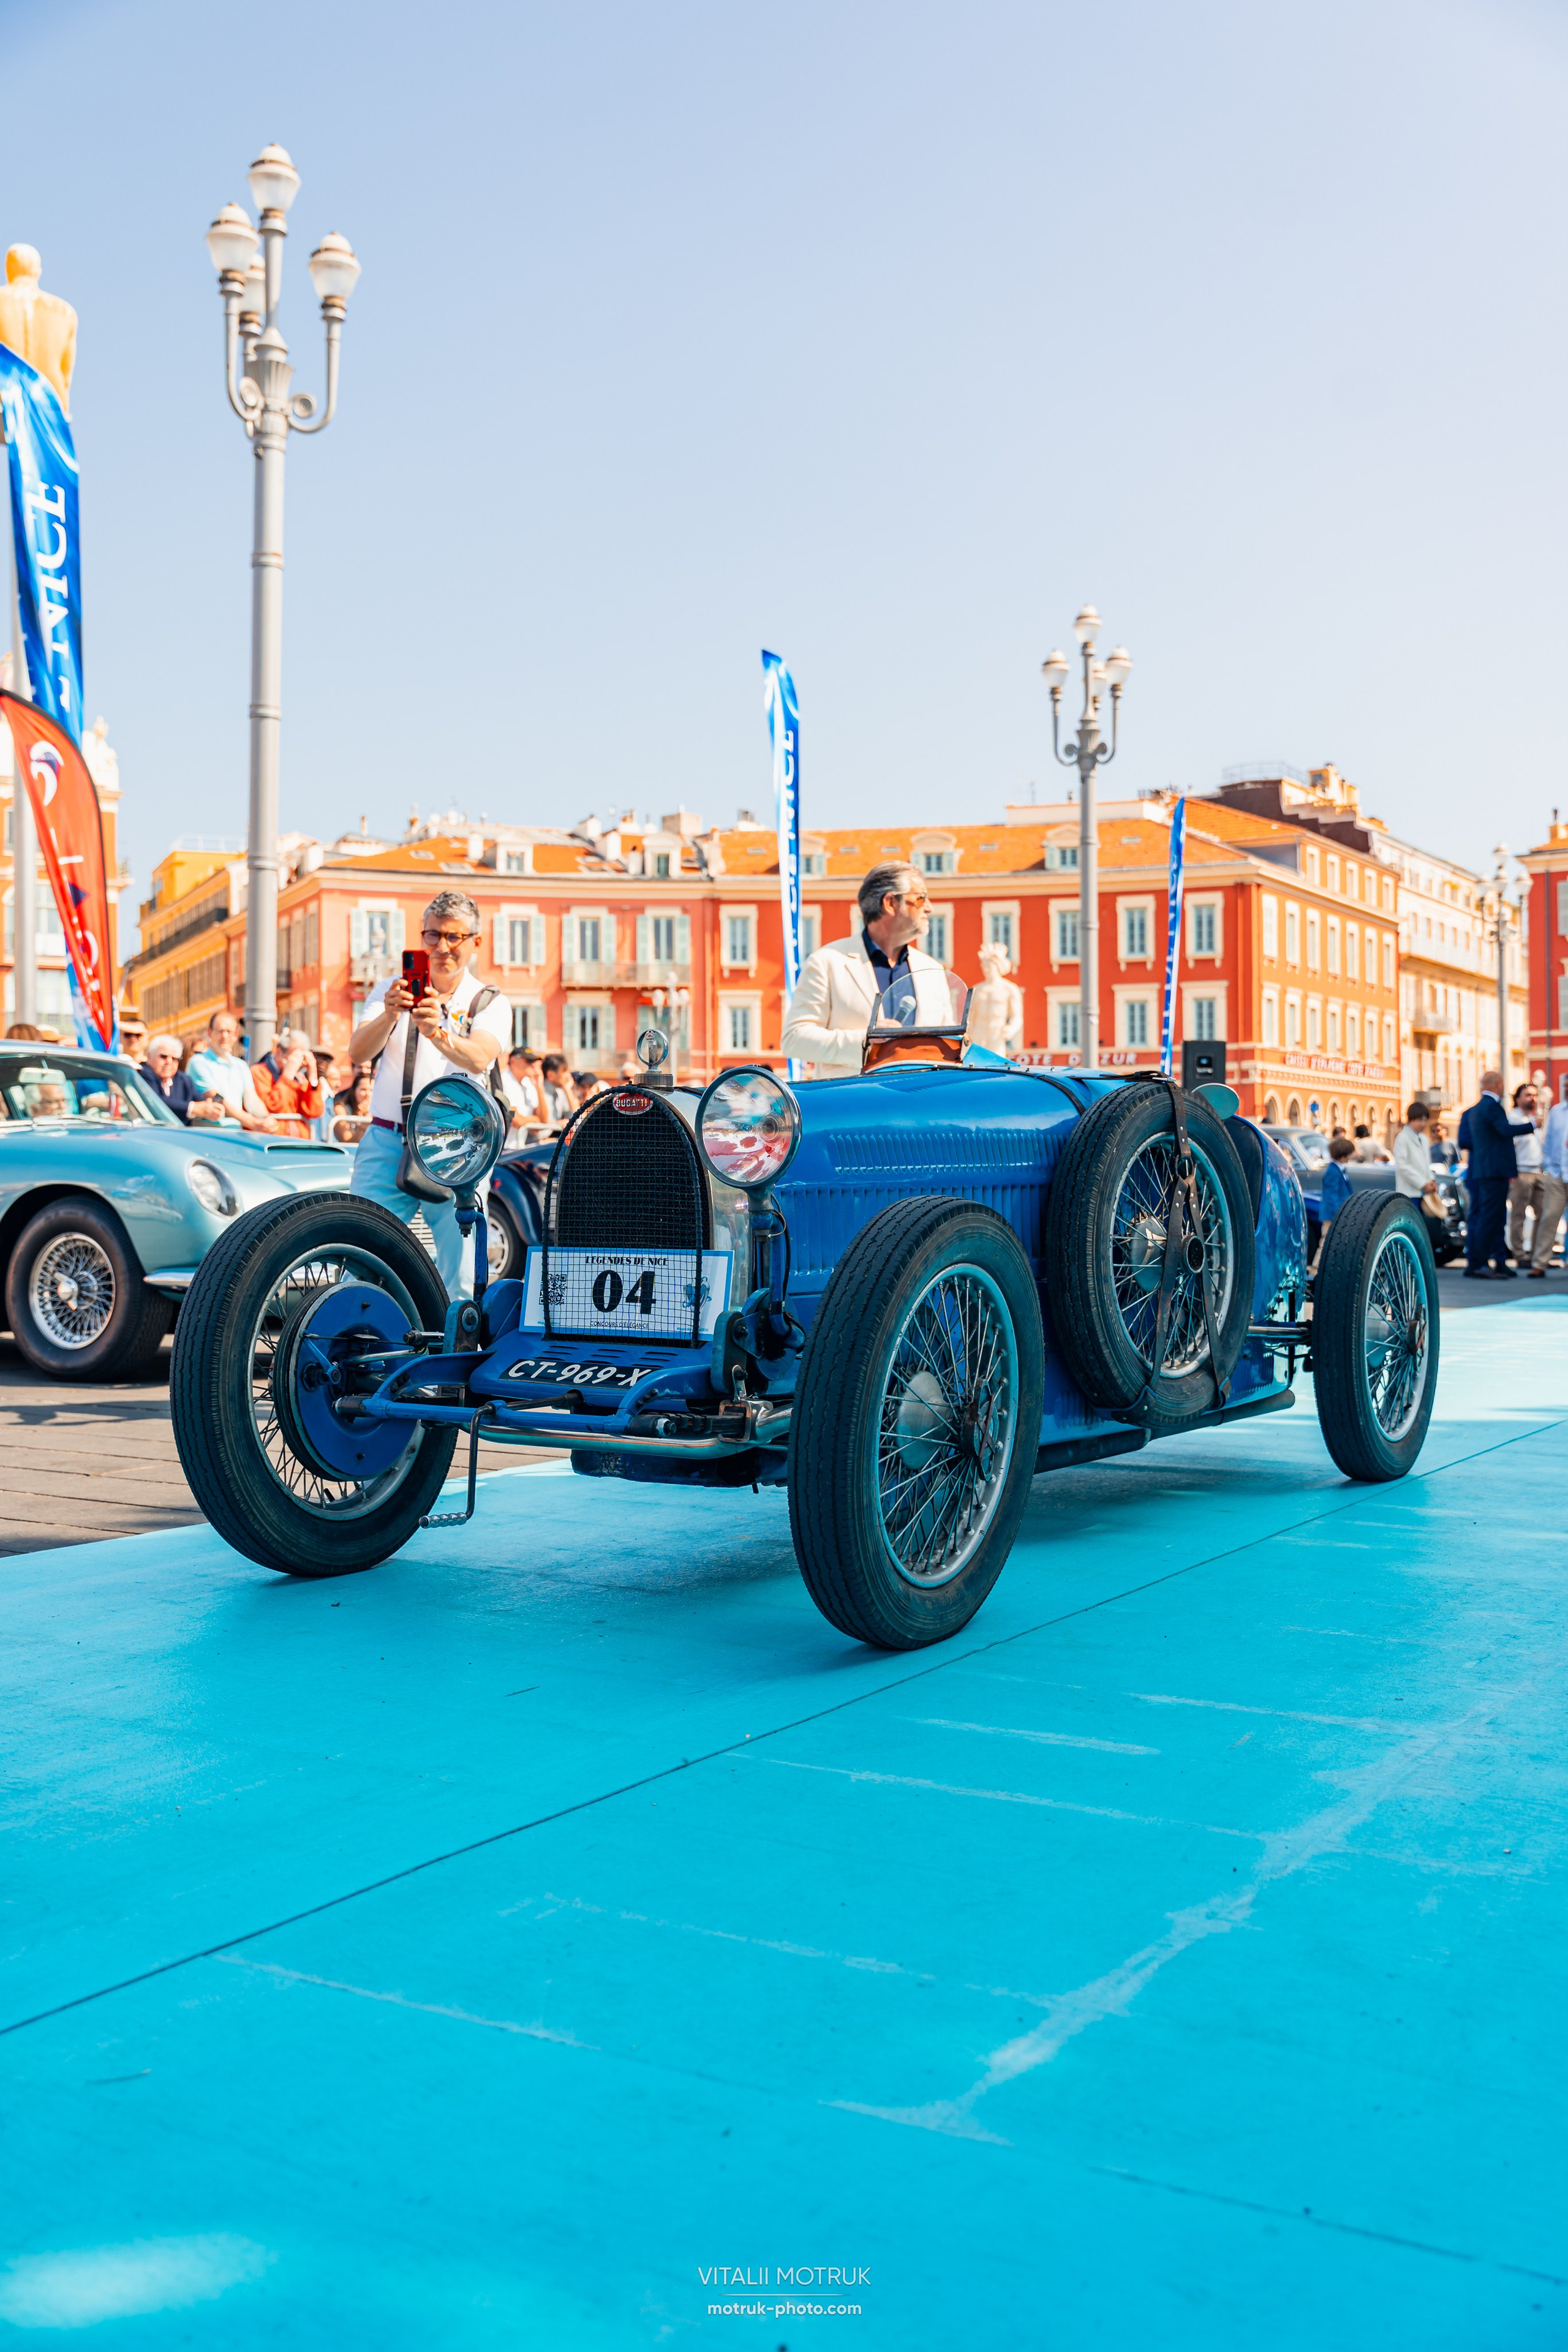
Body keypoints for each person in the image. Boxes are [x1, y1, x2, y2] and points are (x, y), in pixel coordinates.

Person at [346, 890, 510, 1299]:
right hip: (388, 1137)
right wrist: (388, 1014)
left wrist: (437, 1030)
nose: (442, 948)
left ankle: (455, 1352)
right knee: (362, 1256)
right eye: (433, 936)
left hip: (458, 1146)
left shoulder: (487, 1001)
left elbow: (479, 1058)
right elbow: (357, 1053)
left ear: (476, 941)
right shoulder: (391, 990)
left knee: (460, 1268)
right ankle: (355, 1348)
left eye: (454, 937)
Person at [779, 862, 954, 1076]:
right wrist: (866, 1041)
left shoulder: (933, 970)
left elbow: (950, 1046)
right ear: (890, 903)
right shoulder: (826, 962)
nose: (929, 907)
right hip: (853, 1103)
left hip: (919, 1103)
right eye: (921, 898)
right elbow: (794, 1039)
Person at [1458, 1069, 1535, 1280]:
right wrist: (1532, 1126)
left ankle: (1493, 1263)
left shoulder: (1478, 1109)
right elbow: (1503, 1131)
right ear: (1499, 1085)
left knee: (1494, 1217)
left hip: (1488, 1171)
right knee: (1487, 1218)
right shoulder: (1491, 1107)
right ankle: (1479, 1263)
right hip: (1491, 1172)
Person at [186, 1010, 275, 1131]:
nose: (225, 1036)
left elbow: (252, 1099)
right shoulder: (198, 1062)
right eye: (220, 1031)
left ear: (236, 1034)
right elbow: (218, 1099)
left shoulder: (241, 1065)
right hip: (208, 1131)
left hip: (235, 1132)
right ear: (209, 1032)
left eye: (229, 1032)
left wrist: (266, 1118)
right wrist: (254, 1123)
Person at [251, 1027, 326, 1139]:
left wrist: (313, 1077)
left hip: (298, 1145)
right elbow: (272, 1108)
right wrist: (287, 1076)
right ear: (280, 1051)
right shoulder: (259, 1072)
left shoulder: (299, 1078)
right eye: (295, 1056)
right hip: (270, 1142)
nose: (299, 1062)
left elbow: (314, 1111)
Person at [1528, 1091, 1568, 1278]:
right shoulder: (1557, 1111)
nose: (1567, 1088)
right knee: (1549, 1217)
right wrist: (1548, 1164)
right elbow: (1549, 1139)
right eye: (1565, 1085)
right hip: (1557, 1173)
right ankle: (1540, 1263)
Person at [141, 1033, 222, 1124]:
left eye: (175, 1059)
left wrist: (212, 1108)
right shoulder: (142, 1073)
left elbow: (201, 1101)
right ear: (149, 1056)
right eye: (163, 1057)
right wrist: (192, 1108)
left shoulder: (183, 1079)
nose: (169, 1062)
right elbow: (156, 1101)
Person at [1506, 1083, 1544, 1266]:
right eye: (1528, 1095)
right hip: (1521, 1172)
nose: (1532, 1098)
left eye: (1535, 1095)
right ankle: (1520, 1255)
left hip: (1538, 1171)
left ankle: (1537, 1255)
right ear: (1518, 1098)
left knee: (1544, 1213)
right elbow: (1510, 1147)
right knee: (1519, 1214)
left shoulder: (1534, 1120)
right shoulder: (1513, 1119)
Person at [331, 1068, 375, 1146]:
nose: (368, 1094)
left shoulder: (376, 1113)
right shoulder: (341, 1110)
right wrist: (364, 1123)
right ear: (354, 1091)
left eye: (371, 1090)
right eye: (363, 1090)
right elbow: (348, 1142)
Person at [539, 1053, 575, 1124]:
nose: (568, 1075)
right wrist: (557, 1124)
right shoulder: (538, 1092)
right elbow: (540, 1128)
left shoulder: (560, 1092)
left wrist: (568, 1090)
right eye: (564, 1072)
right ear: (551, 1075)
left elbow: (576, 1118)